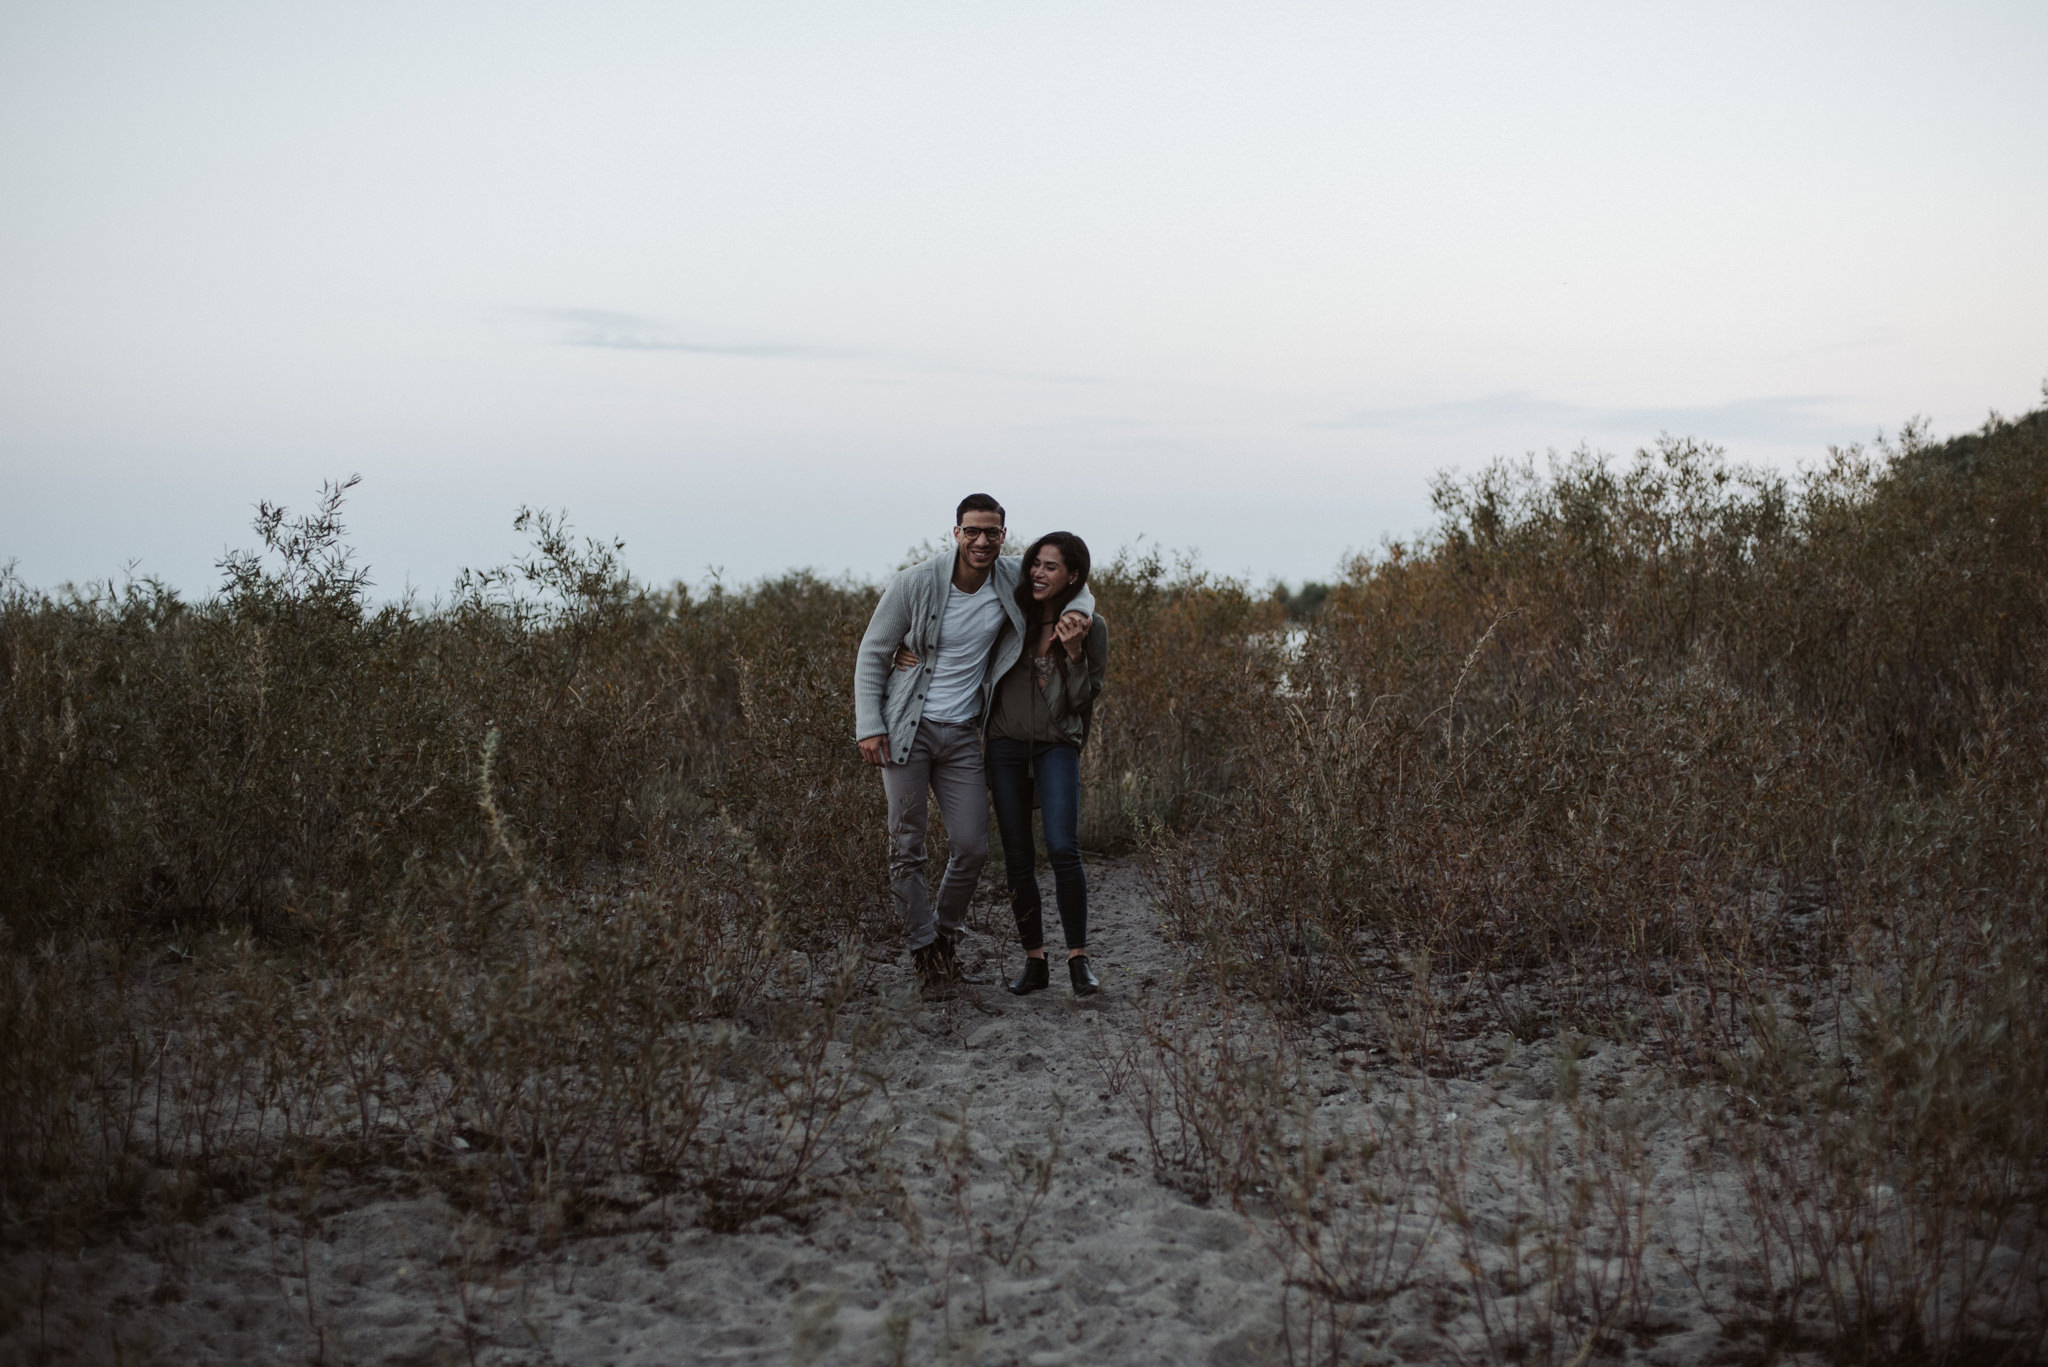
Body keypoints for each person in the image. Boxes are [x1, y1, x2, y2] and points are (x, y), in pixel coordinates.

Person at [852, 495, 1093, 997]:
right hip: (907, 730)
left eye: (993, 533)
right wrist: (869, 724)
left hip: (964, 732)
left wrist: (1080, 619)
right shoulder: (915, 582)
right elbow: (874, 650)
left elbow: (1077, 588)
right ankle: (926, 956)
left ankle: (943, 935)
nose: (982, 541)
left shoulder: (1010, 578)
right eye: (972, 531)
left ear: (1004, 535)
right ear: (956, 532)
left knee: (972, 847)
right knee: (906, 847)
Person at [980, 532, 1108, 997]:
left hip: (1057, 745)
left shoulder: (1093, 628)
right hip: (1005, 745)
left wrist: (1073, 654)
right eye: (1035, 563)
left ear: (1072, 576)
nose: (1037, 572)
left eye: (1051, 566)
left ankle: (1078, 959)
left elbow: (1080, 701)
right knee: (1017, 855)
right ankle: (1034, 961)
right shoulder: (1009, 617)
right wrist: (905, 652)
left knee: (1062, 846)